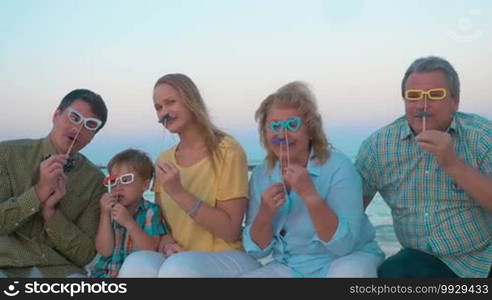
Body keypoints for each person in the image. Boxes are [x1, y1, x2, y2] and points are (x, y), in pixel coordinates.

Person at [355, 56, 492, 278]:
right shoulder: (378, 147)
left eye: (435, 95)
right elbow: (351, 210)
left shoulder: (482, 136)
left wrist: (453, 164)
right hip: (421, 261)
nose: (422, 105)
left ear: (455, 101)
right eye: (414, 96)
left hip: (483, 255)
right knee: (392, 273)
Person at [119, 73, 260, 277]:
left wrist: (178, 193)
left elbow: (230, 230)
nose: (163, 113)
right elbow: (161, 224)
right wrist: (167, 243)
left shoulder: (228, 151)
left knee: (178, 269)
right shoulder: (163, 160)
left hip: (225, 256)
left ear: (190, 101)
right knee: (136, 263)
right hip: (179, 255)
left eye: (170, 102)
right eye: (158, 108)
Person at [241, 81, 384, 277]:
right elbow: (258, 251)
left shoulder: (339, 167)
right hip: (291, 265)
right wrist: (265, 213)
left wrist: (310, 196)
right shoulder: (260, 175)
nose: (283, 134)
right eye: (275, 126)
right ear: (265, 133)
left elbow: (343, 246)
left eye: (292, 125)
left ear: (310, 130)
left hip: (347, 259)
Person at [0, 89, 108, 277]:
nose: (79, 129)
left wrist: (52, 215)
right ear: (56, 115)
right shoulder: (7, 155)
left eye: (90, 125)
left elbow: (85, 254)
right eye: (74, 117)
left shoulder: (95, 181)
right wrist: (38, 192)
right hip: (6, 264)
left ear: (93, 136)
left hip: (60, 270)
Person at [91, 149, 168, 278]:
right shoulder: (109, 210)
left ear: (145, 185)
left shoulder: (151, 211)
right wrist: (104, 214)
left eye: (126, 180)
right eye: (114, 181)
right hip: (104, 274)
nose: (118, 186)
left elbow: (150, 249)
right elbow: (104, 251)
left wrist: (129, 223)